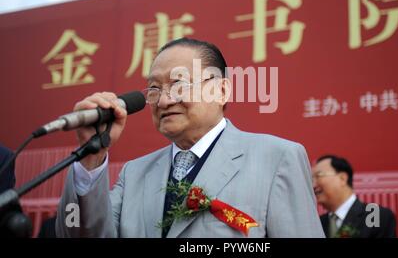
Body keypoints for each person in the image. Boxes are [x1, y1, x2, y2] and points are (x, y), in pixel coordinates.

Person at [55, 37, 324, 238]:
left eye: (179, 84)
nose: (164, 100)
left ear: (220, 90)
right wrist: (92, 158)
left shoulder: (276, 158)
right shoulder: (134, 173)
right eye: (154, 88)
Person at [312, 155, 396, 238]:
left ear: (342, 178)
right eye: (312, 179)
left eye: (318, 176)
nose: (313, 185)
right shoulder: (317, 224)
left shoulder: (375, 216)